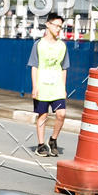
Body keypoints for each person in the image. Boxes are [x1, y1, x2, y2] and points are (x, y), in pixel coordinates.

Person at [27, 12, 70, 156]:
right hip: (42, 85)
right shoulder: (38, 45)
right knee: (42, 115)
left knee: (61, 114)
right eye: (56, 25)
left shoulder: (62, 46)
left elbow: (64, 68)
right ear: (48, 24)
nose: (58, 29)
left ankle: (53, 139)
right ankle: (41, 145)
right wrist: (35, 86)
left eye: (61, 27)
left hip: (57, 87)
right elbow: (34, 66)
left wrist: (63, 88)